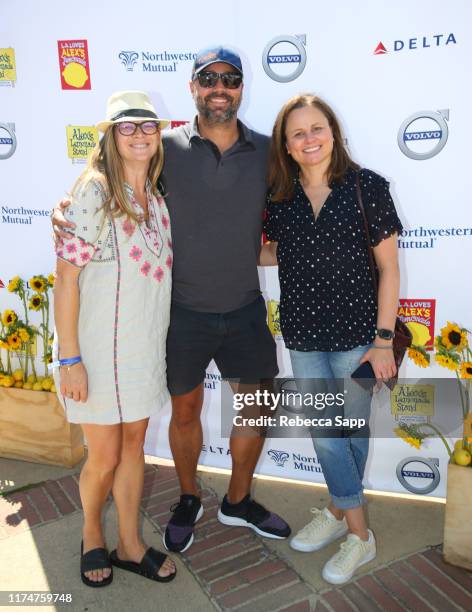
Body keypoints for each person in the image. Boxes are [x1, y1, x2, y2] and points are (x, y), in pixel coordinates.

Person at [52, 47, 291, 554]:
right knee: (185, 413)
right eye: (209, 78)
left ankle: (239, 500)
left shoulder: (270, 152)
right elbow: (108, 181)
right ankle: (188, 497)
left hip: (246, 306)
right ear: (193, 87)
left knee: (258, 407)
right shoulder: (163, 148)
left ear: (242, 87)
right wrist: (65, 209)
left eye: (229, 78)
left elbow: (288, 214)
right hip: (181, 313)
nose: (219, 87)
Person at [261, 94, 402, 585]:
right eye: (297, 133)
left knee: (347, 433)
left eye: (316, 128)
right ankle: (348, 519)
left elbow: (389, 270)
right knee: (329, 434)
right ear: (287, 144)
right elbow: (272, 252)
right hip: (302, 337)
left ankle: (355, 531)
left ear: (333, 131)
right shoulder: (279, 196)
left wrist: (383, 341)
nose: (309, 139)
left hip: (358, 337)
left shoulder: (367, 187)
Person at [53, 90, 176, 586]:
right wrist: (70, 359)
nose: (140, 134)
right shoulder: (93, 190)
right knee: (102, 456)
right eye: (127, 126)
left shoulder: (160, 198)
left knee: (134, 449)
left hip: (144, 349)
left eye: (148, 125)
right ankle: (91, 536)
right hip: (97, 353)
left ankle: (129, 542)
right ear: (110, 135)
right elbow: (65, 279)